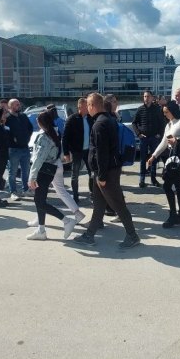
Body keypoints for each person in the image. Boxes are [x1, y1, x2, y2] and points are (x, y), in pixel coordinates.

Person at [72, 93, 140, 249]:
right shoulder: (108, 120)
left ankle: (132, 235)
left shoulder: (99, 124)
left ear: (92, 106)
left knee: (118, 204)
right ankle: (89, 235)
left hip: (106, 172)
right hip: (104, 171)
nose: (87, 108)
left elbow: (102, 153)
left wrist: (101, 176)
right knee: (99, 204)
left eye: (88, 105)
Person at [26, 110, 79, 241]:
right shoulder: (54, 132)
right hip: (50, 170)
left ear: (40, 123)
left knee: (40, 202)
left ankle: (66, 220)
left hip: (42, 171)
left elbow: (39, 158)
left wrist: (32, 176)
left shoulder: (44, 137)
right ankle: (41, 229)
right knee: (40, 201)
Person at [147, 100, 180, 228]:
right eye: (164, 112)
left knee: (168, 186)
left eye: (166, 112)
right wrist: (153, 156)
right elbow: (163, 143)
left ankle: (174, 215)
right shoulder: (169, 125)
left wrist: (178, 140)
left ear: (172, 110)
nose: (165, 114)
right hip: (172, 159)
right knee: (178, 187)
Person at [62, 98, 94, 203]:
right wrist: (66, 153)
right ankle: (75, 196)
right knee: (75, 174)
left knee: (92, 173)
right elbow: (65, 137)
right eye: (86, 105)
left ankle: (92, 194)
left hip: (88, 151)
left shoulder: (91, 118)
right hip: (76, 151)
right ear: (80, 107)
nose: (89, 107)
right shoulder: (72, 119)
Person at [132, 90, 165, 188]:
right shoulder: (140, 109)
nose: (146, 98)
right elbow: (134, 123)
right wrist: (138, 134)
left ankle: (153, 179)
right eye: (145, 96)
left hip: (154, 138)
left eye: (148, 96)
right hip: (144, 139)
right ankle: (142, 179)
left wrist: (159, 134)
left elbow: (162, 123)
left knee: (154, 159)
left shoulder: (157, 109)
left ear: (152, 98)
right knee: (143, 159)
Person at [5, 98, 34, 200]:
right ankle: (13, 192)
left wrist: (26, 138)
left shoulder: (23, 116)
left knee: (26, 171)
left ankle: (26, 189)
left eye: (19, 104)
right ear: (10, 106)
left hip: (25, 148)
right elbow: (6, 133)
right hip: (13, 150)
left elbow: (30, 128)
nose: (19, 106)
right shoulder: (7, 119)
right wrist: (13, 140)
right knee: (12, 172)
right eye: (16, 104)